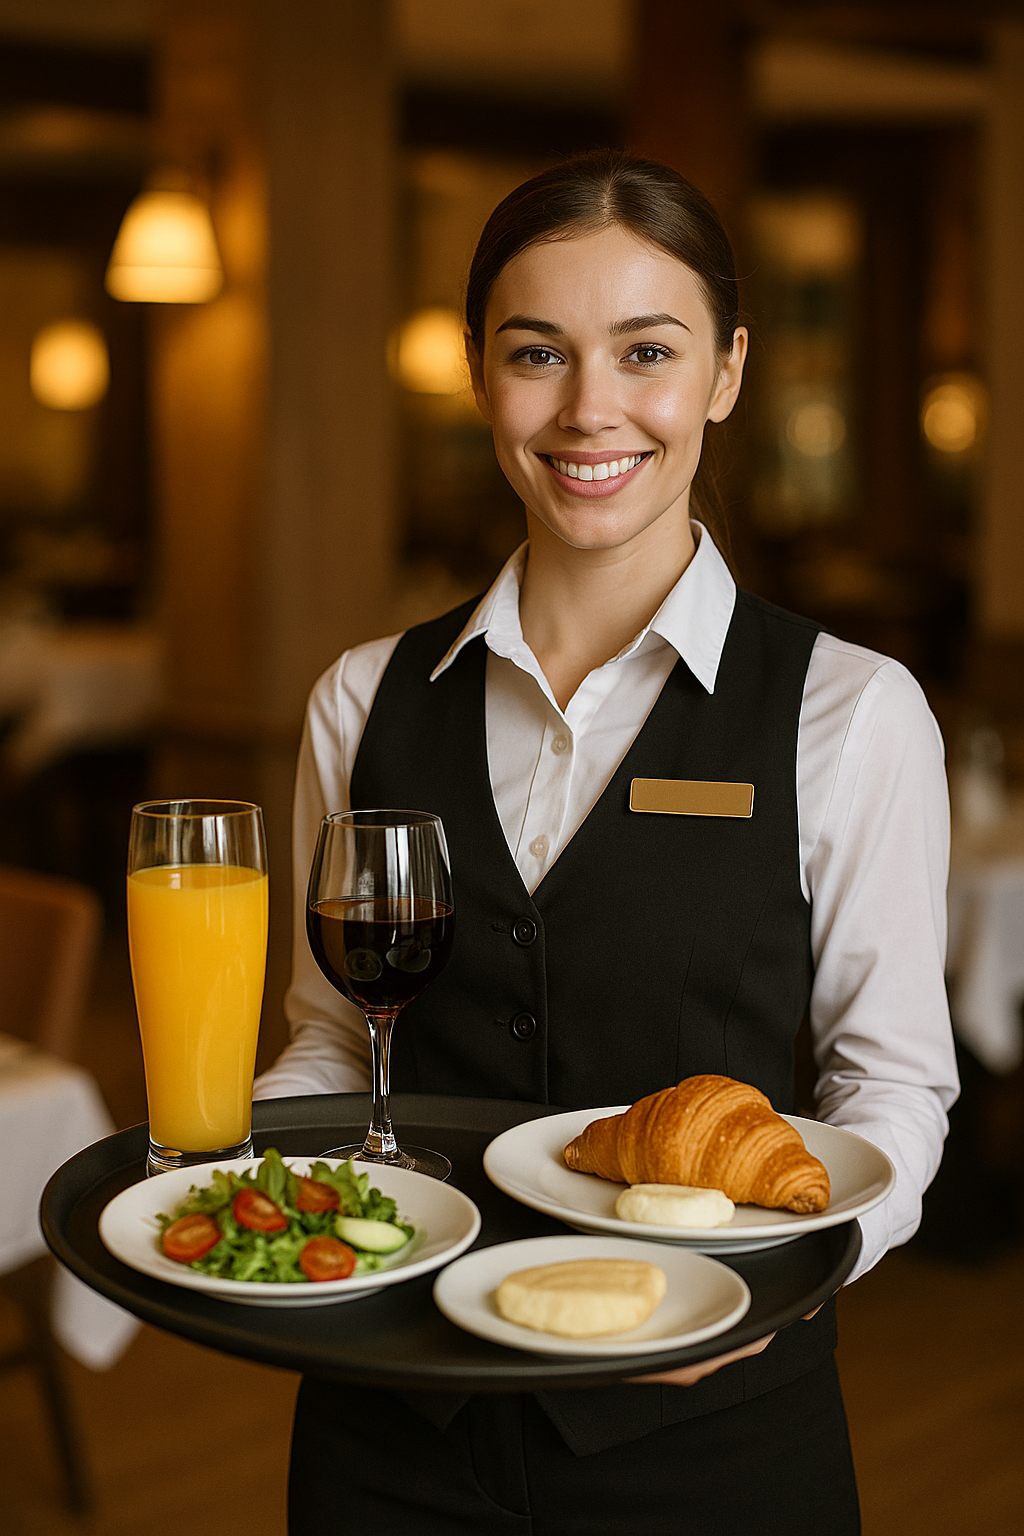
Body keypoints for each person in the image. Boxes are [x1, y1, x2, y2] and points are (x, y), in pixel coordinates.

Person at [256, 150, 958, 1534]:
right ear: (478, 375)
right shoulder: (361, 698)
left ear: (728, 372)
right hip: (390, 1413)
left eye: (648, 350)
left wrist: (781, 1288)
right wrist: (254, 1195)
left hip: (714, 1432)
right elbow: (338, 1043)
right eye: (538, 353)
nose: (590, 409)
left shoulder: (852, 713)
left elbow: (891, 1091)